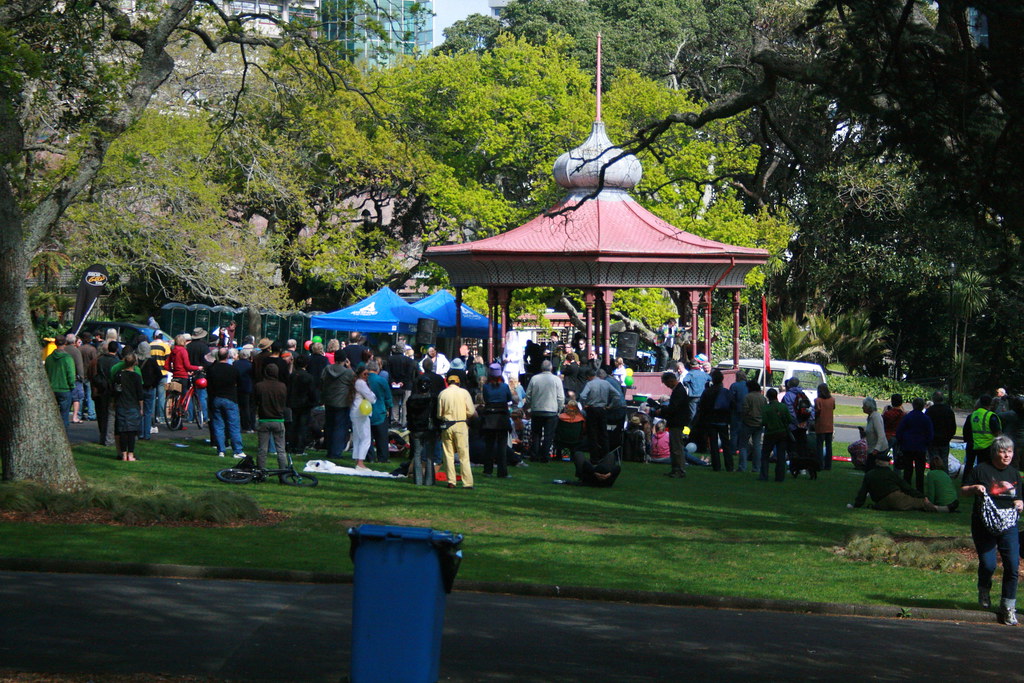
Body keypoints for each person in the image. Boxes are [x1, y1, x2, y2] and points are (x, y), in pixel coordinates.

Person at [961, 435, 1023, 625]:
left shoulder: (1014, 475)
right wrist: (974, 488)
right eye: (1002, 451)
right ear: (994, 452)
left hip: (1009, 526)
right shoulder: (981, 470)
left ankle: (1008, 606)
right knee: (989, 565)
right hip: (984, 525)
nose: (1006, 455)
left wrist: (1020, 503)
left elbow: (1018, 498)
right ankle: (984, 587)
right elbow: (962, 491)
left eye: (1009, 451)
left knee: (1012, 565)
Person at [848, 451, 949, 512]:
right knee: (919, 503)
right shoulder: (891, 474)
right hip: (896, 498)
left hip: (881, 503)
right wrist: (922, 496)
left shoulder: (869, 474)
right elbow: (906, 488)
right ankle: (942, 509)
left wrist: (857, 505)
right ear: (888, 463)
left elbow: (862, 492)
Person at [523, 360, 565, 463]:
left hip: (537, 410)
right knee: (548, 435)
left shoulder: (534, 378)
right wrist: (559, 409)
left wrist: (528, 407)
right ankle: (545, 456)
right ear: (551, 368)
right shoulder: (556, 380)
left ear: (541, 368)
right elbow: (561, 397)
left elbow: (528, 396)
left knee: (536, 434)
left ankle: (534, 455)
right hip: (551, 411)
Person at [437, 374, 475, 489]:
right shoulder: (464, 393)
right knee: (464, 455)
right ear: (458, 383)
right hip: (461, 424)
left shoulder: (442, 393)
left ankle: (451, 481)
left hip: (447, 425)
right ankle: (467, 482)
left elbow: (439, 414)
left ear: (448, 383)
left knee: (448, 454)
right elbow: (471, 411)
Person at [206, 347, 246, 459]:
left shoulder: (212, 369)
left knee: (219, 425)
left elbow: (209, 385)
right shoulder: (232, 369)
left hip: (216, 398)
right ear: (227, 356)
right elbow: (240, 383)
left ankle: (221, 450)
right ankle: (237, 450)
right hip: (230, 398)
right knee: (233, 425)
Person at [253, 363, 288, 481]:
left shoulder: (259, 386)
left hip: (264, 419)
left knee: (262, 449)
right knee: (281, 449)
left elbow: (255, 401)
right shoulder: (282, 386)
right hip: (278, 419)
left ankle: (261, 472)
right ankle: (283, 473)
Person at [480, 362, 514, 478]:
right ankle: (502, 471)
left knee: (489, 446)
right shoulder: (504, 387)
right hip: (502, 419)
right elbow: (509, 398)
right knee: (502, 447)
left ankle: (488, 470)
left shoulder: (486, 387)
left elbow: (485, 398)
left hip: (489, 419)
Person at [406, 376, 440, 485]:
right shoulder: (433, 399)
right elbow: (436, 415)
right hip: (429, 428)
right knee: (430, 455)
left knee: (417, 454)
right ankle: (429, 481)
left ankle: (418, 480)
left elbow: (409, 416)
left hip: (416, 429)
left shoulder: (411, 399)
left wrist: (410, 427)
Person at [895, 397, 933, 492]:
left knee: (907, 470)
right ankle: (919, 490)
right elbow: (930, 433)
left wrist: (901, 442)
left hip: (907, 446)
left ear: (913, 405)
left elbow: (899, 431)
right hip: (921, 447)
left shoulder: (907, 417)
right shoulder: (926, 418)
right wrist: (927, 443)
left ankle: (906, 490)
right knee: (920, 471)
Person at [321, 357, 355, 461]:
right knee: (340, 428)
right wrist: (349, 367)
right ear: (345, 361)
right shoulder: (347, 372)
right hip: (342, 402)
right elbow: (355, 380)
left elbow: (322, 380)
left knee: (329, 426)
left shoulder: (327, 369)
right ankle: (336, 452)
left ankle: (329, 450)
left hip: (329, 401)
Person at [657, 371, 689, 478]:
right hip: (676, 421)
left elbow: (674, 408)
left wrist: (662, 411)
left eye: (667, 384)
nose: (667, 386)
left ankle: (679, 469)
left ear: (671, 380)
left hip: (677, 422)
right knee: (674, 446)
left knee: (676, 447)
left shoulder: (679, 391)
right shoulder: (679, 390)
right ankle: (675, 468)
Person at [112, 352, 144, 462]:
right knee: (131, 431)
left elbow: (115, 391)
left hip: (121, 403)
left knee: (122, 431)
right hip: (133, 405)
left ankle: (123, 454)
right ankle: (130, 454)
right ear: (135, 363)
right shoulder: (136, 377)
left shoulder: (118, 375)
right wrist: (141, 408)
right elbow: (140, 395)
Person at [579, 367, 614, 461]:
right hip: (602, 409)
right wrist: (611, 405)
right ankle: (605, 455)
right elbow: (617, 395)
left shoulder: (590, 384)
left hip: (592, 409)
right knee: (603, 433)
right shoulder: (606, 383)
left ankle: (594, 457)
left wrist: (584, 405)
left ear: (588, 376)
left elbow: (582, 396)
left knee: (592, 434)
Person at [964, 395, 1002, 480]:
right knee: (984, 466)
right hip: (987, 445)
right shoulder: (991, 416)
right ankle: (982, 481)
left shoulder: (972, 415)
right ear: (991, 404)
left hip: (972, 444)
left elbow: (966, 431)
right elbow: (997, 432)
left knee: (969, 465)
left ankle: (966, 482)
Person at [44, 334, 76, 431]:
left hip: (52, 388)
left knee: (52, 414)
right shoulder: (67, 358)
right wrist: (72, 385)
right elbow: (71, 374)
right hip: (65, 388)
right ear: (65, 343)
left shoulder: (49, 358)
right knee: (64, 415)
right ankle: (64, 434)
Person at [760, 388, 793, 482]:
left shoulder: (766, 408)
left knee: (765, 455)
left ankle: (764, 475)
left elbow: (764, 422)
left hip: (770, 433)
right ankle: (780, 477)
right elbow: (789, 420)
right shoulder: (783, 406)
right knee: (781, 456)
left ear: (768, 397)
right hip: (782, 433)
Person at [349, 364, 377, 469]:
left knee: (358, 437)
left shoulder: (356, 382)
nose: (367, 376)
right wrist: (373, 397)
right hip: (360, 412)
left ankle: (358, 460)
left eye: (367, 374)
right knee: (365, 438)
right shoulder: (361, 383)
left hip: (355, 411)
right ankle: (360, 461)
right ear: (360, 374)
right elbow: (371, 397)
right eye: (365, 374)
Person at [365, 360, 393, 464]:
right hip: (380, 411)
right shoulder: (382, 380)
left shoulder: (365, 380)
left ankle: (370, 457)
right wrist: (389, 407)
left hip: (366, 411)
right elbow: (388, 397)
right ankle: (383, 457)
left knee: (368, 437)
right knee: (381, 437)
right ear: (377, 369)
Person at [925, 391, 957, 475]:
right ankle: (945, 478)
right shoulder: (948, 410)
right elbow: (953, 427)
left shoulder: (929, 411)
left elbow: (926, 426)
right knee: (944, 461)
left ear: (933, 399)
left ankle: (934, 478)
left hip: (933, 440)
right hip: (944, 440)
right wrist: (949, 437)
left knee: (934, 461)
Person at [739, 380, 767, 474]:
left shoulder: (748, 397)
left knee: (743, 445)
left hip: (748, 423)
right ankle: (756, 467)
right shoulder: (762, 398)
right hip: (759, 424)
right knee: (757, 446)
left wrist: (744, 418)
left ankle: (742, 466)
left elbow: (745, 410)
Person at [727, 371, 749, 470]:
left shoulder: (734, 386)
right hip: (746, 412)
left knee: (734, 432)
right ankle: (743, 449)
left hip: (736, 411)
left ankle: (733, 449)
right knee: (743, 432)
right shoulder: (748, 386)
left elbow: (730, 398)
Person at [862, 397, 889, 469]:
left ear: (869, 407)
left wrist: (876, 449)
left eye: (864, 406)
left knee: (871, 468)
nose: (862, 407)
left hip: (878, 450)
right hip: (871, 449)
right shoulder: (870, 417)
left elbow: (881, 435)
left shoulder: (876, 417)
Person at [813, 383, 835, 470]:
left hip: (820, 425)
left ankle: (819, 464)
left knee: (819, 446)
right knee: (829, 446)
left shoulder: (817, 400)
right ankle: (828, 465)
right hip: (829, 425)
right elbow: (833, 408)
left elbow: (817, 411)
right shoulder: (832, 400)